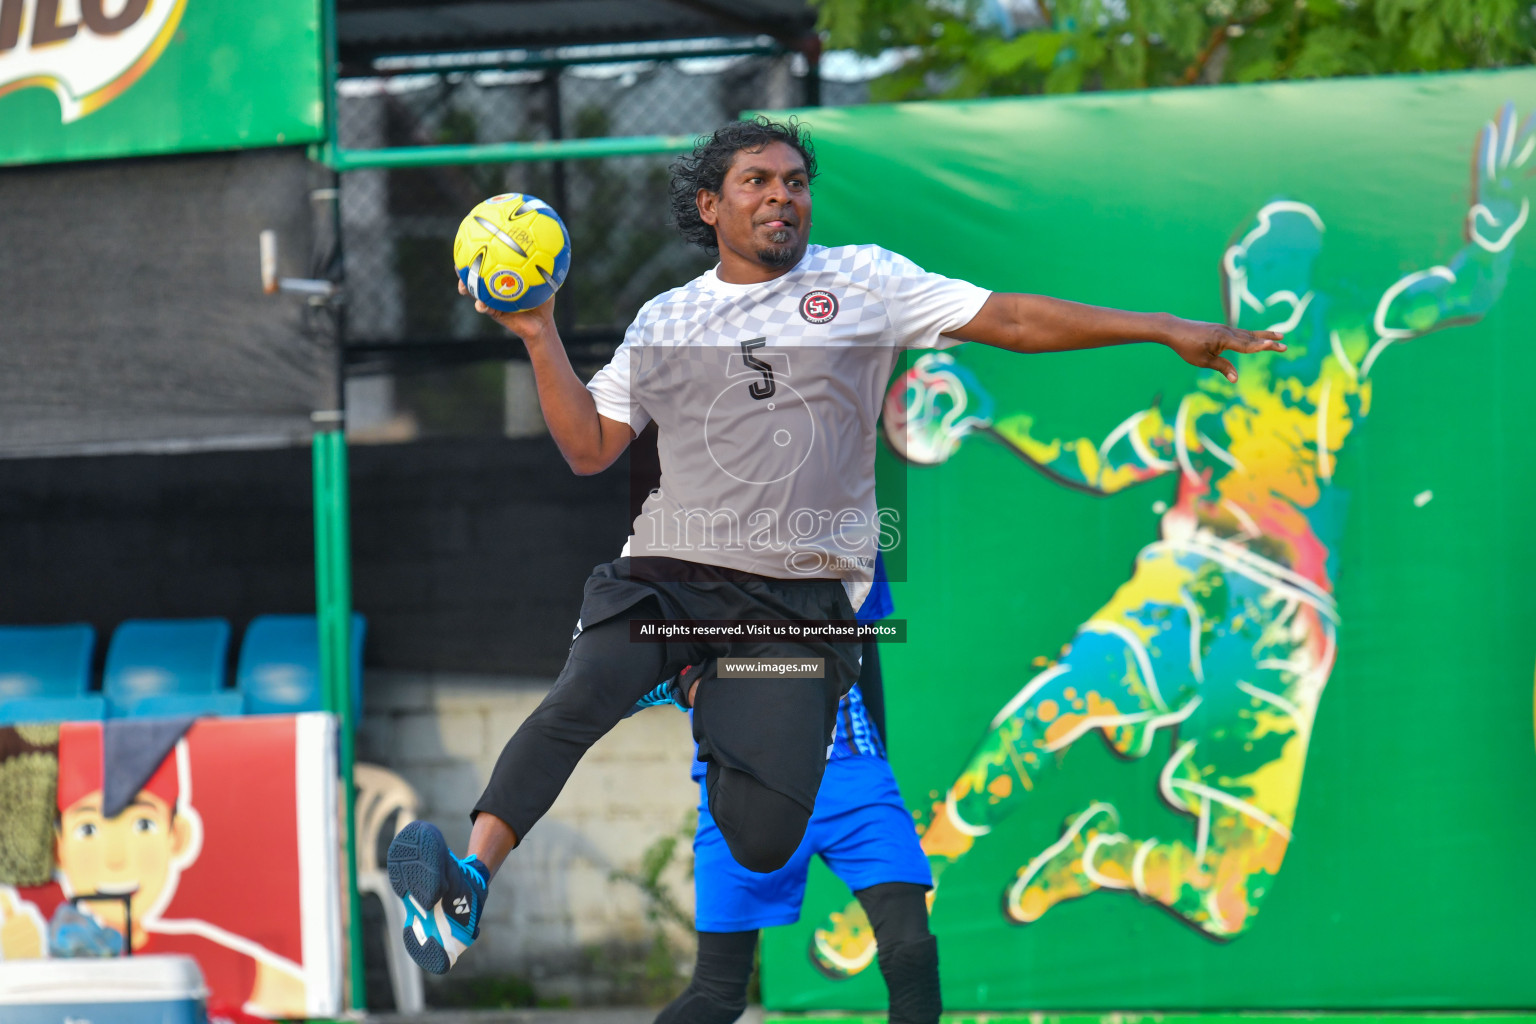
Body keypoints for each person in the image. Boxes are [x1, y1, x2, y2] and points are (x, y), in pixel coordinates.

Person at [385, 115, 1286, 976]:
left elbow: (1009, 319)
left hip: (796, 609)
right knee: (580, 694)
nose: (782, 196)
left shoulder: (865, 282)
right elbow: (589, 449)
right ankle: (468, 883)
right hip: (671, 576)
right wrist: (539, 331)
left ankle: (697, 683)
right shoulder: (666, 321)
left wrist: (1167, 328)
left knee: (764, 837)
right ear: (711, 206)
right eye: (757, 182)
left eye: (795, 182)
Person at [807, 104, 1534, 967]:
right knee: (1042, 719)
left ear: (1294, 275)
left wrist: (1495, 220)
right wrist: (995, 416)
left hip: (1290, 631)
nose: (1245, 264)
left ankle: (1101, 854)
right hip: (1191, 582)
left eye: (1268, 252)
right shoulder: (1194, 406)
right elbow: (1094, 461)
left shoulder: (1341, 337)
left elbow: (1466, 290)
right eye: (1241, 256)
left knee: (1228, 899)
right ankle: (899, 896)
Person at [642, 557, 938, 1024]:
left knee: (912, 956)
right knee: (717, 994)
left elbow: (863, 645)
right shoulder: (697, 531)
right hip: (744, 776)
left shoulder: (852, 524)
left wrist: (877, 758)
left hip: (853, 768)